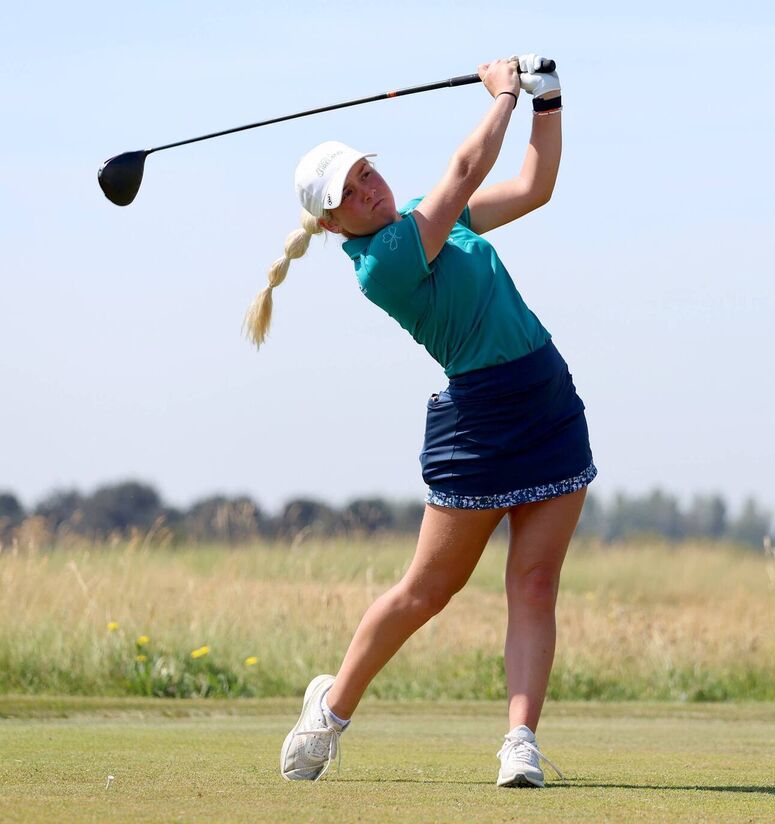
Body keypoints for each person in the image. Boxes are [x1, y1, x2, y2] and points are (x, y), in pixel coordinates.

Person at [244, 55, 595, 788]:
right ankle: (331, 710)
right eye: (350, 192)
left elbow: (535, 186)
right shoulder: (386, 259)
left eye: (366, 173)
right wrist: (502, 94)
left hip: (547, 400)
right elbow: (466, 167)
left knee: (534, 585)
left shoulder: (427, 223)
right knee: (426, 592)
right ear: (332, 221)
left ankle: (520, 742)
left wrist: (548, 100)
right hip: (480, 424)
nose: (369, 190)